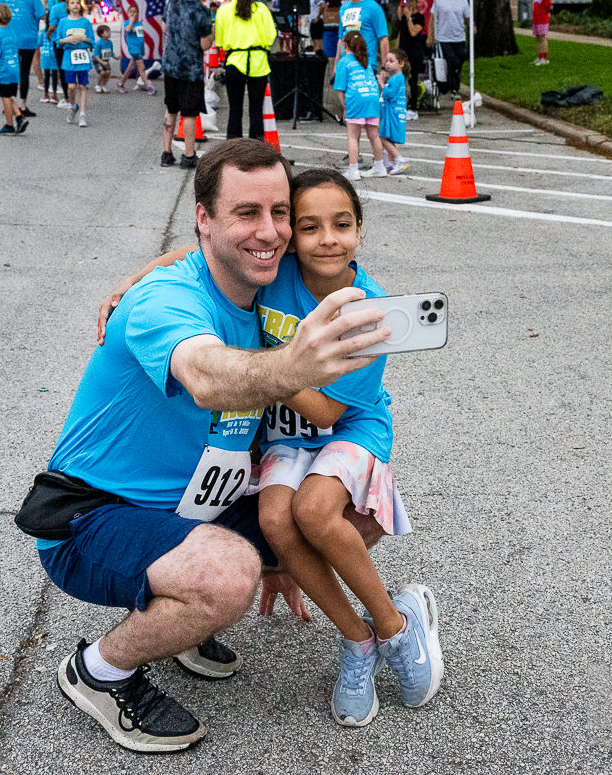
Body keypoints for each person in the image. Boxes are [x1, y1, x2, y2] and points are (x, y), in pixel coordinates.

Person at [20, 139, 391, 753]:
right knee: (226, 575)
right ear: (204, 218)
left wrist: (286, 552)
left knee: (352, 513)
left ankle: (181, 620)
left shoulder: (264, 289)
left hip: (194, 503)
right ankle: (99, 671)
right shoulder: (164, 299)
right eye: (246, 213)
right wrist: (295, 366)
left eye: (279, 213)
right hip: (93, 517)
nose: (268, 232)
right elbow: (206, 374)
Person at [100, 169, 442, 727]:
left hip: (348, 428)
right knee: (277, 523)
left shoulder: (371, 309)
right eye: (308, 227)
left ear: (360, 230)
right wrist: (129, 287)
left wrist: (265, 369)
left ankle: (394, 627)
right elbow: (192, 257)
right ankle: (356, 639)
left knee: (315, 512)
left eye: (342, 225)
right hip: (285, 431)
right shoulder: (277, 272)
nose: (326, 239)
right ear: (291, 238)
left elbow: (328, 412)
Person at [161, 0, 214, 169]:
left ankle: (166, 153)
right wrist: (212, 33)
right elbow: (204, 44)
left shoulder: (173, 1)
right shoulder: (202, 11)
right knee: (190, 113)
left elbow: (164, 27)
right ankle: (188, 155)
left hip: (170, 65)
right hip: (190, 69)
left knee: (171, 109)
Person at [214, 0, 278, 138]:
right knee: (256, 110)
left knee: (235, 110)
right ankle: (256, 146)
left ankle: (233, 148)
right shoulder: (261, 9)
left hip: (235, 62)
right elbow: (271, 36)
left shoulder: (224, 10)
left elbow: (220, 41)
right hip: (258, 63)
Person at [0, 0, 47, 118]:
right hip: (28, 39)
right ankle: (23, 105)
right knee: (24, 73)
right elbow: (41, 15)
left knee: (10, 71)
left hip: (9, 38)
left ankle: (8, 104)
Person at [335, 31, 386, 179]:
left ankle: (353, 170)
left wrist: (345, 107)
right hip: (373, 98)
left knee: (353, 136)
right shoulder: (365, 61)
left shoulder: (344, 62)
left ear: (344, 44)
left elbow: (340, 89)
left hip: (356, 100)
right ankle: (379, 166)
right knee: (374, 136)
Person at [429, 0, 472, 103]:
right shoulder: (439, 1)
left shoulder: (463, 1)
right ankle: (451, 87)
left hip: (459, 38)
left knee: (458, 63)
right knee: (450, 61)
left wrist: (472, 26)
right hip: (444, 38)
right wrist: (430, 36)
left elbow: (467, 17)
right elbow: (433, 19)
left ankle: (452, 85)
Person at [0, 3, 28, 135]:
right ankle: (19, 116)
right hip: (14, 69)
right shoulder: (12, 33)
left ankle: (9, 125)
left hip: (3, 70)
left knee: (4, 97)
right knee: (9, 95)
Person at [58, 0, 95, 127]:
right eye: (72, 3)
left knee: (83, 86)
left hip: (83, 57)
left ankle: (83, 115)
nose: (75, 5)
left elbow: (92, 41)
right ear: (67, 6)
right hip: (69, 57)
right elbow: (58, 41)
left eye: (77, 3)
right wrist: (67, 40)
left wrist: (84, 39)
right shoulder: (63, 22)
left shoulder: (86, 22)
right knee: (71, 86)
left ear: (81, 5)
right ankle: (73, 106)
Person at [395, 0, 428, 117]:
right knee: (400, 78)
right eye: (406, 1)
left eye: (411, 0)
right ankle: (402, 103)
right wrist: (396, 49)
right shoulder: (403, 18)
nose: (408, 3)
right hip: (404, 51)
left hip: (414, 52)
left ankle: (413, 104)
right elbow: (401, 33)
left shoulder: (419, 17)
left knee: (412, 79)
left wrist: (409, 17)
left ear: (416, 2)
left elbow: (413, 32)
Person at [378, 49, 410, 174]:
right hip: (392, 113)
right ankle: (391, 163)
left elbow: (389, 94)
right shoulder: (397, 78)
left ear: (401, 63)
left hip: (392, 114)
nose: (387, 63)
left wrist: (382, 83)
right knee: (388, 139)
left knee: (383, 138)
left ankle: (400, 160)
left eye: (391, 61)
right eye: (387, 61)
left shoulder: (396, 78)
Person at [117, 4, 158, 95]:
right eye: (130, 11)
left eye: (134, 12)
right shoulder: (127, 23)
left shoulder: (139, 24)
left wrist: (142, 49)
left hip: (139, 49)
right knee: (141, 68)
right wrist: (131, 21)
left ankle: (121, 84)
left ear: (137, 13)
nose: (132, 13)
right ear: (128, 13)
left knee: (130, 68)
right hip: (134, 49)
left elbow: (141, 38)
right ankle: (149, 87)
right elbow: (128, 30)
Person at [530, 0, 553, 65]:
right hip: (536, 20)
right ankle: (540, 57)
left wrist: (547, 13)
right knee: (538, 38)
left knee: (542, 38)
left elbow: (549, 6)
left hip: (542, 20)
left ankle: (544, 58)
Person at [91, 25, 114, 94]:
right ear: (101, 34)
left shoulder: (110, 42)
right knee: (102, 73)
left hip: (105, 60)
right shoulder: (99, 43)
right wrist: (102, 62)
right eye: (107, 32)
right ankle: (98, 85)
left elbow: (111, 52)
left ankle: (104, 85)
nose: (109, 33)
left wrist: (115, 56)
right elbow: (95, 56)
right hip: (98, 60)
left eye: (109, 31)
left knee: (108, 73)